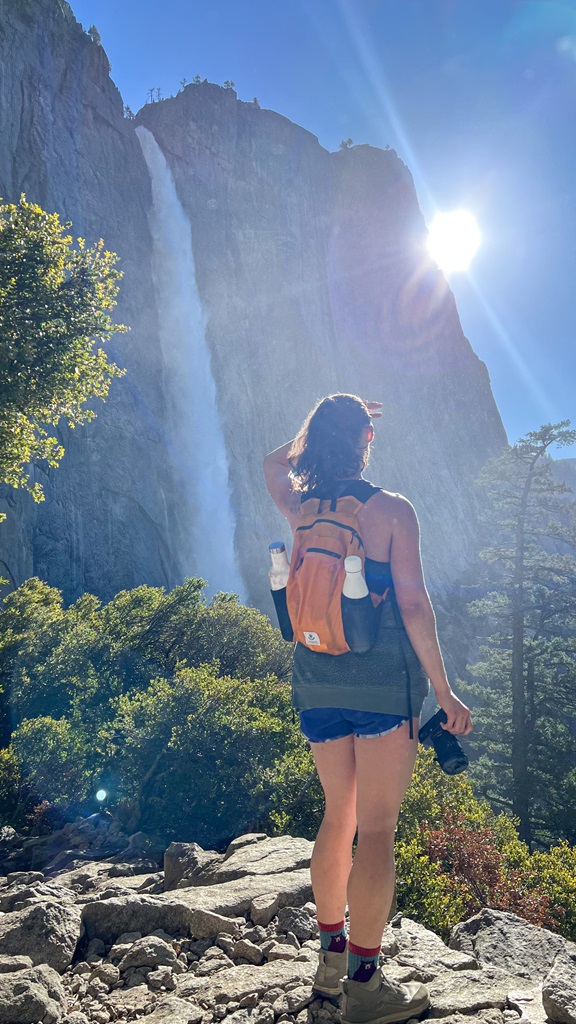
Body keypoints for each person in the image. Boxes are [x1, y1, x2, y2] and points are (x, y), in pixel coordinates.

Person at [263, 394, 472, 1024]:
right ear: (364, 442)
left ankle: (328, 968)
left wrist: (324, 412)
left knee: (338, 819)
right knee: (377, 828)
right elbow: (414, 607)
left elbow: (273, 462)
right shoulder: (391, 511)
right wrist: (443, 689)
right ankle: (365, 987)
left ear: (315, 442)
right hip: (384, 692)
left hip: (316, 683)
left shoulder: (300, 507)